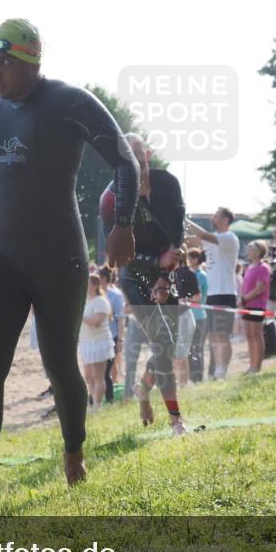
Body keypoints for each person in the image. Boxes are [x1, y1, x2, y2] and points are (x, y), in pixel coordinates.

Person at [0, 19, 139, 514]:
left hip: (59, 255)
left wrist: (123, 222)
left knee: (58, 362)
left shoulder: (68, 102)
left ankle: (73, 451)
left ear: (31, 61)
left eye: (4, 61)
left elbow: (125, 162)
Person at [102, 133, 188, 434]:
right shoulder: (111, 198)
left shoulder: (168, 183)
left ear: (148, 154)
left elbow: (177, 229)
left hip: (167, 267)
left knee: (170, 343)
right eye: (130, 161)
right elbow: (116, 256)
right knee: (162, 340)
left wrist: (166, 273)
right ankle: (176, 420)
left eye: (141, 158)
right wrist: (155, 265)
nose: (139, 166)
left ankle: (143, 388)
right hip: (134, 273)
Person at [186, 209, 240, 379]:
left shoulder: (228, 237)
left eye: (215, 216)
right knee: (213, 335)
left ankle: (222, 370)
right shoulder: (212, 239)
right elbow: (190, 240)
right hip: (213, 294)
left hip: (225, 292)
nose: (212, 218)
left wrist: (184, 218)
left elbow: (201, 235)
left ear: (225, 220)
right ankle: (218, 370)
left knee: (222, 334)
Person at [79, 273, 114, 408]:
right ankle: (93, 401)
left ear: (95, 285)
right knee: (88, 376)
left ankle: (97, 405)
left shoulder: (101, 301)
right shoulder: (86, 301)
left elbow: (96, 322)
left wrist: (80, 314)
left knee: (98, 376)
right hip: (86, 342)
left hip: (99, 342)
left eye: (88, 282)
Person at [240, 240, 271, 374]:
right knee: (249, 335)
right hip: (247, 305)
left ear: (259, 252)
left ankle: (257, 366)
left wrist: (244, 299)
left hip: (257, 305)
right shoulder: (249, 267)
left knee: (256, 334)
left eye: (251, 248)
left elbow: (260, 288)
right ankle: (251, 365)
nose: (248, 251)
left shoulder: (263, 267)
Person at [172, 250, 200, 386]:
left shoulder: (188, 273)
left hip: (183, 316)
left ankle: (183, 384)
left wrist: (185, 300)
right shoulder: (166, 274)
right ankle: (175, 383)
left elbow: (197, 297)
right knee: (171, 353)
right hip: (169, 317)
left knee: (181, 354)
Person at [98, 267, 125, 402]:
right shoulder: (94, 294)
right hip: (97, 337)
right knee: (101, 369)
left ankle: (110, 396)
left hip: (111, 336)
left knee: (108, 368)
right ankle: (104, 395)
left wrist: (120, 339)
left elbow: (121, 319)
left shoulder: (115, 295)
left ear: (103, 279)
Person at [186, 248, 209, 382]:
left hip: (198, 316)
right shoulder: (195, 274)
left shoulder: (200, 276)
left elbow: (196, 297)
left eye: (190, 258)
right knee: (191, 348)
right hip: (193, 315)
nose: (188, 261)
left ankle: (197, 377)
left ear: (195, 259)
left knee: (196, 348)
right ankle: (193, 376)